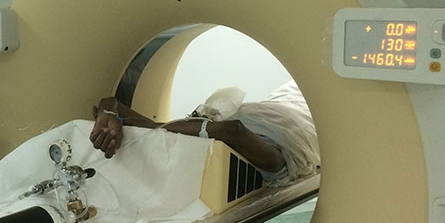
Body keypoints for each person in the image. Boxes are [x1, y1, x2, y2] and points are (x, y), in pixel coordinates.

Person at [90, 80, 320, 185]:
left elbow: (111, 103)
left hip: (293, 106)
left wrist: (107, 114)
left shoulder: (186, 135)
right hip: (299, 110)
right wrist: (110, 113)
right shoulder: (273, 165)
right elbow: (232, 131)